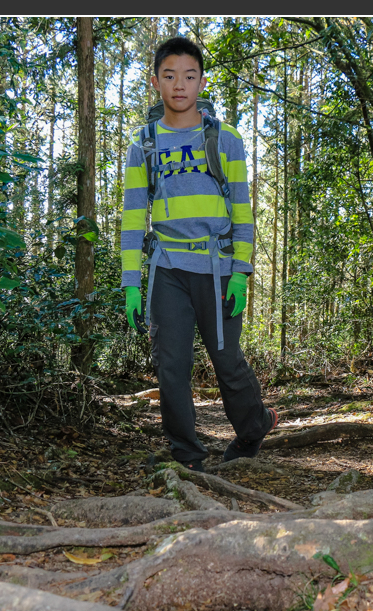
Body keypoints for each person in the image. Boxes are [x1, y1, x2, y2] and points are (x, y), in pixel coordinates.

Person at [120, 36, 277, 473]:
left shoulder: (225, 140)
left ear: (201, 81)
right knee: (171, 366)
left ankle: (253, 427)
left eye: (189, 76)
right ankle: (188, 457)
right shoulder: (144, 144)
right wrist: (131, 284)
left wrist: (242, 272)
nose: (179, 85)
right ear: (155, 82)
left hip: (218, 267)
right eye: (169, 76)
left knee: (227, 360)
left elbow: (242, 211)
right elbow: (135, 218)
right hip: (166, 268)